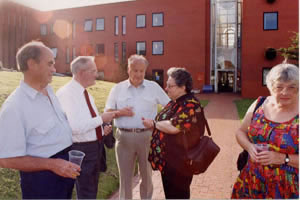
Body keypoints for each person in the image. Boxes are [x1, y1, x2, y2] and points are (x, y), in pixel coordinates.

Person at [0, 41, 81, 199]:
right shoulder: (15, 106)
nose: (54, 69)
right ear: (32, 64)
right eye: (50, 64)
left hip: (64, 172)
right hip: (42, 181)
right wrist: (52, 165)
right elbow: (6, 159)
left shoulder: (49, 91)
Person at [105, 54, 170, 199]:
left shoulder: (153, 87)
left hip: (147, 137)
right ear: (129, 70)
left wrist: (157, 124)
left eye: (141, 71)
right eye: (135, 70)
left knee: (146, 176)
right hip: (124, 138)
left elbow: (170, 107)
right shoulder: (117, 88)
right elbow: (107, 112)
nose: (139, 74)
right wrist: (120, 112)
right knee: (125, 177)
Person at [231, 63, 299, 199]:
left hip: (287, 188)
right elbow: (241, 132)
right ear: (271, 87)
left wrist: (282, 158)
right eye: (279, 87)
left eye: (291, 87)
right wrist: (249, 147)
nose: (285, 92)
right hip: (252, 180)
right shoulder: (260, 103)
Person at [56, 56, 115, 199]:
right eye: (93, 71)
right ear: (82, 72)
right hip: (81, 150)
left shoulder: (85, 93)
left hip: (94, 148)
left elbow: (87, 122)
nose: (97, 74)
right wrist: (102, 118)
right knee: (86, 193)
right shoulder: (67, 94)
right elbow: (75, 127)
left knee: (90, 192)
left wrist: (102, 130)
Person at [142, 67, 202, 199]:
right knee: (170, 195)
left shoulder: (190, 104)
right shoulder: (174, 103)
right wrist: (156, 125)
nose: (166, 88)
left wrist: (154, 124)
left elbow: (175, 127)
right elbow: (164, 124)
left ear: (183, 87)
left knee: (178, 195)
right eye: (166, 85)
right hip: (169, 161)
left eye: (170, 86)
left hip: (180, 163)